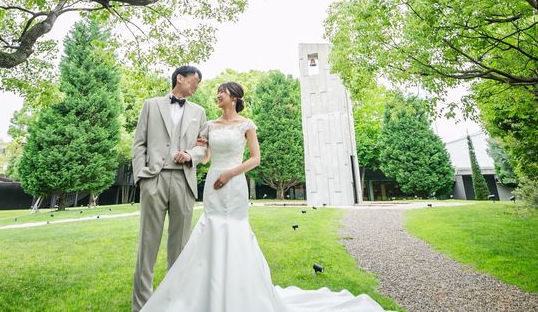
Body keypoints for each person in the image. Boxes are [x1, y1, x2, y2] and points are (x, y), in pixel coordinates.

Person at [140, 81, 386, 312]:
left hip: (234, 182)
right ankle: (206, 290)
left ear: (234, 97)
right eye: (218, 92)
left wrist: (230, 173)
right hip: (213, 184)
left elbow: (255, 159)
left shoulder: (246, 125)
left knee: (234, 230)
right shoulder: (210, 125)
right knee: (210, 228)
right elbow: (205, 156)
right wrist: (191, 152)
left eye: (222, 91)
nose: (218, 94)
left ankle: (240, 291)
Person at [132, 65, 209, 312]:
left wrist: (190, 154)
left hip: (183, 181)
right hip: (153, 179)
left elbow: (204, 147)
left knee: (180, 247)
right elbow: (139, 144)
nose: (196, 87)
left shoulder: (199, 112)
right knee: (148, 243)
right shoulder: (151, 105)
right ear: (180, 78)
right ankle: (141, 306)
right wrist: (141, 177)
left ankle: (174, 303)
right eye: (194, 81)